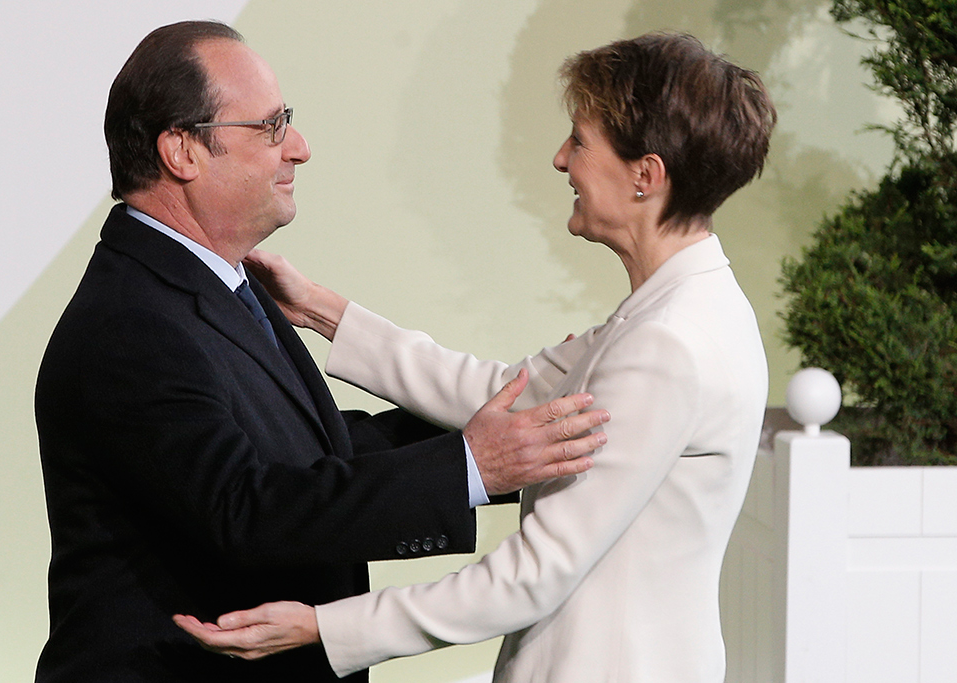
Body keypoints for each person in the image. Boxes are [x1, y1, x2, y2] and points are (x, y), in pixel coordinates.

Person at [175, 32, 776, 682]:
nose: (559, 159)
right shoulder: (676, 312)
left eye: (578, 140)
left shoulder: (666, 344)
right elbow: (502, 391)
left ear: (646, 175)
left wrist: (325, 626)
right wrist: (321, 309)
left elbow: (534, 570)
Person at [34, 20, 609, 683]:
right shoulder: (131, 322)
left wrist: (513, 431)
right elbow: (248, 509)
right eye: (271, 126)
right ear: (182, 151)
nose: (300, 148)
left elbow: (319, 456)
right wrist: (472, 464)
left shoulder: (221, 281)